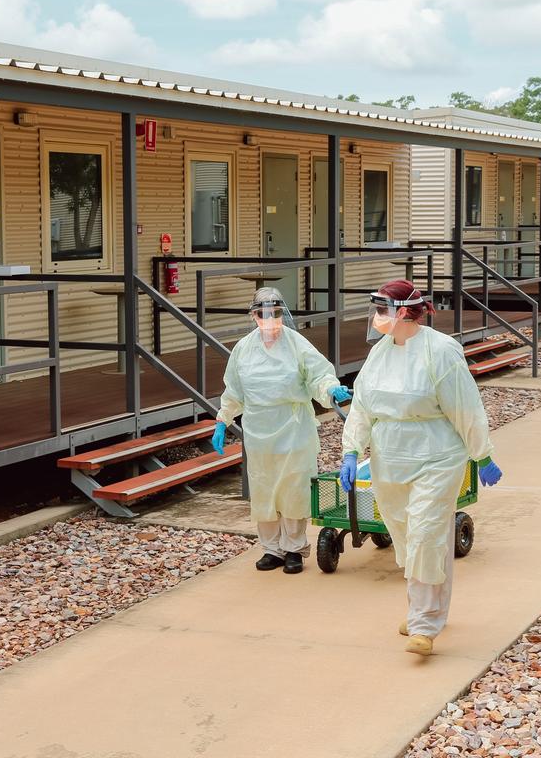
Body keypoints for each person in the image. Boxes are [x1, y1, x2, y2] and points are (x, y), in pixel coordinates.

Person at [339, 279, 502, 656]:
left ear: (404, 312)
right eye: (375, 310)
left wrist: (482, 454)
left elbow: (465, 407)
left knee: (428, 532)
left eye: (382, 310)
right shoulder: (380, 352)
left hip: (436, 454)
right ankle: (420, 609)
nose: (377, 318)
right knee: (406, 533)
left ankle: (426, 625)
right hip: (390, 457)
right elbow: (363, 405)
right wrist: (351, 451)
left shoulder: (440, 351)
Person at [211, 287, 351, 574]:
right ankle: (271, 549)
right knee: (264, 489)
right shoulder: (243, 349)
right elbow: (234, 390)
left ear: (281, 314)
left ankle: (294, 550)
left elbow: (318, 375)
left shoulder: (297, 345)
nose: (269, 320)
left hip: (293, 426)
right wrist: (222, 420)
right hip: (259, 429)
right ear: (253, 316)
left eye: (275, 314)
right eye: (263, 314)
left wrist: (330, 389)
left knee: (293, 488)